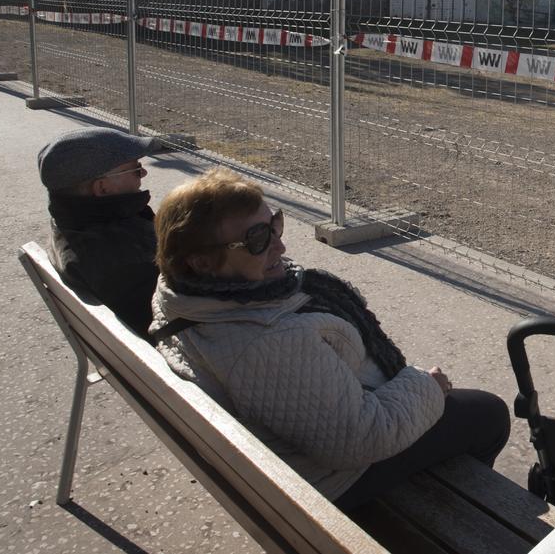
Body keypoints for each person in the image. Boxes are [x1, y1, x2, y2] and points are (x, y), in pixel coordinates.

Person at [150, 168, 509, 511]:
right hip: (328, 483)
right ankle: (453, 512)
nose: (280, 245)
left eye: (274, 225)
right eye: (256, 240)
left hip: (278, 457)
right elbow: (359, 439)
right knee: (486, 413)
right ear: (203, 262)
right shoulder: (268, 340)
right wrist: (424, 385)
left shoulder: (181, 295)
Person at [38, 127, 166, 337]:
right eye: (135, 169)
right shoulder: (123, 258)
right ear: (102, 188)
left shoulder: (70, 223)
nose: (143, 173)